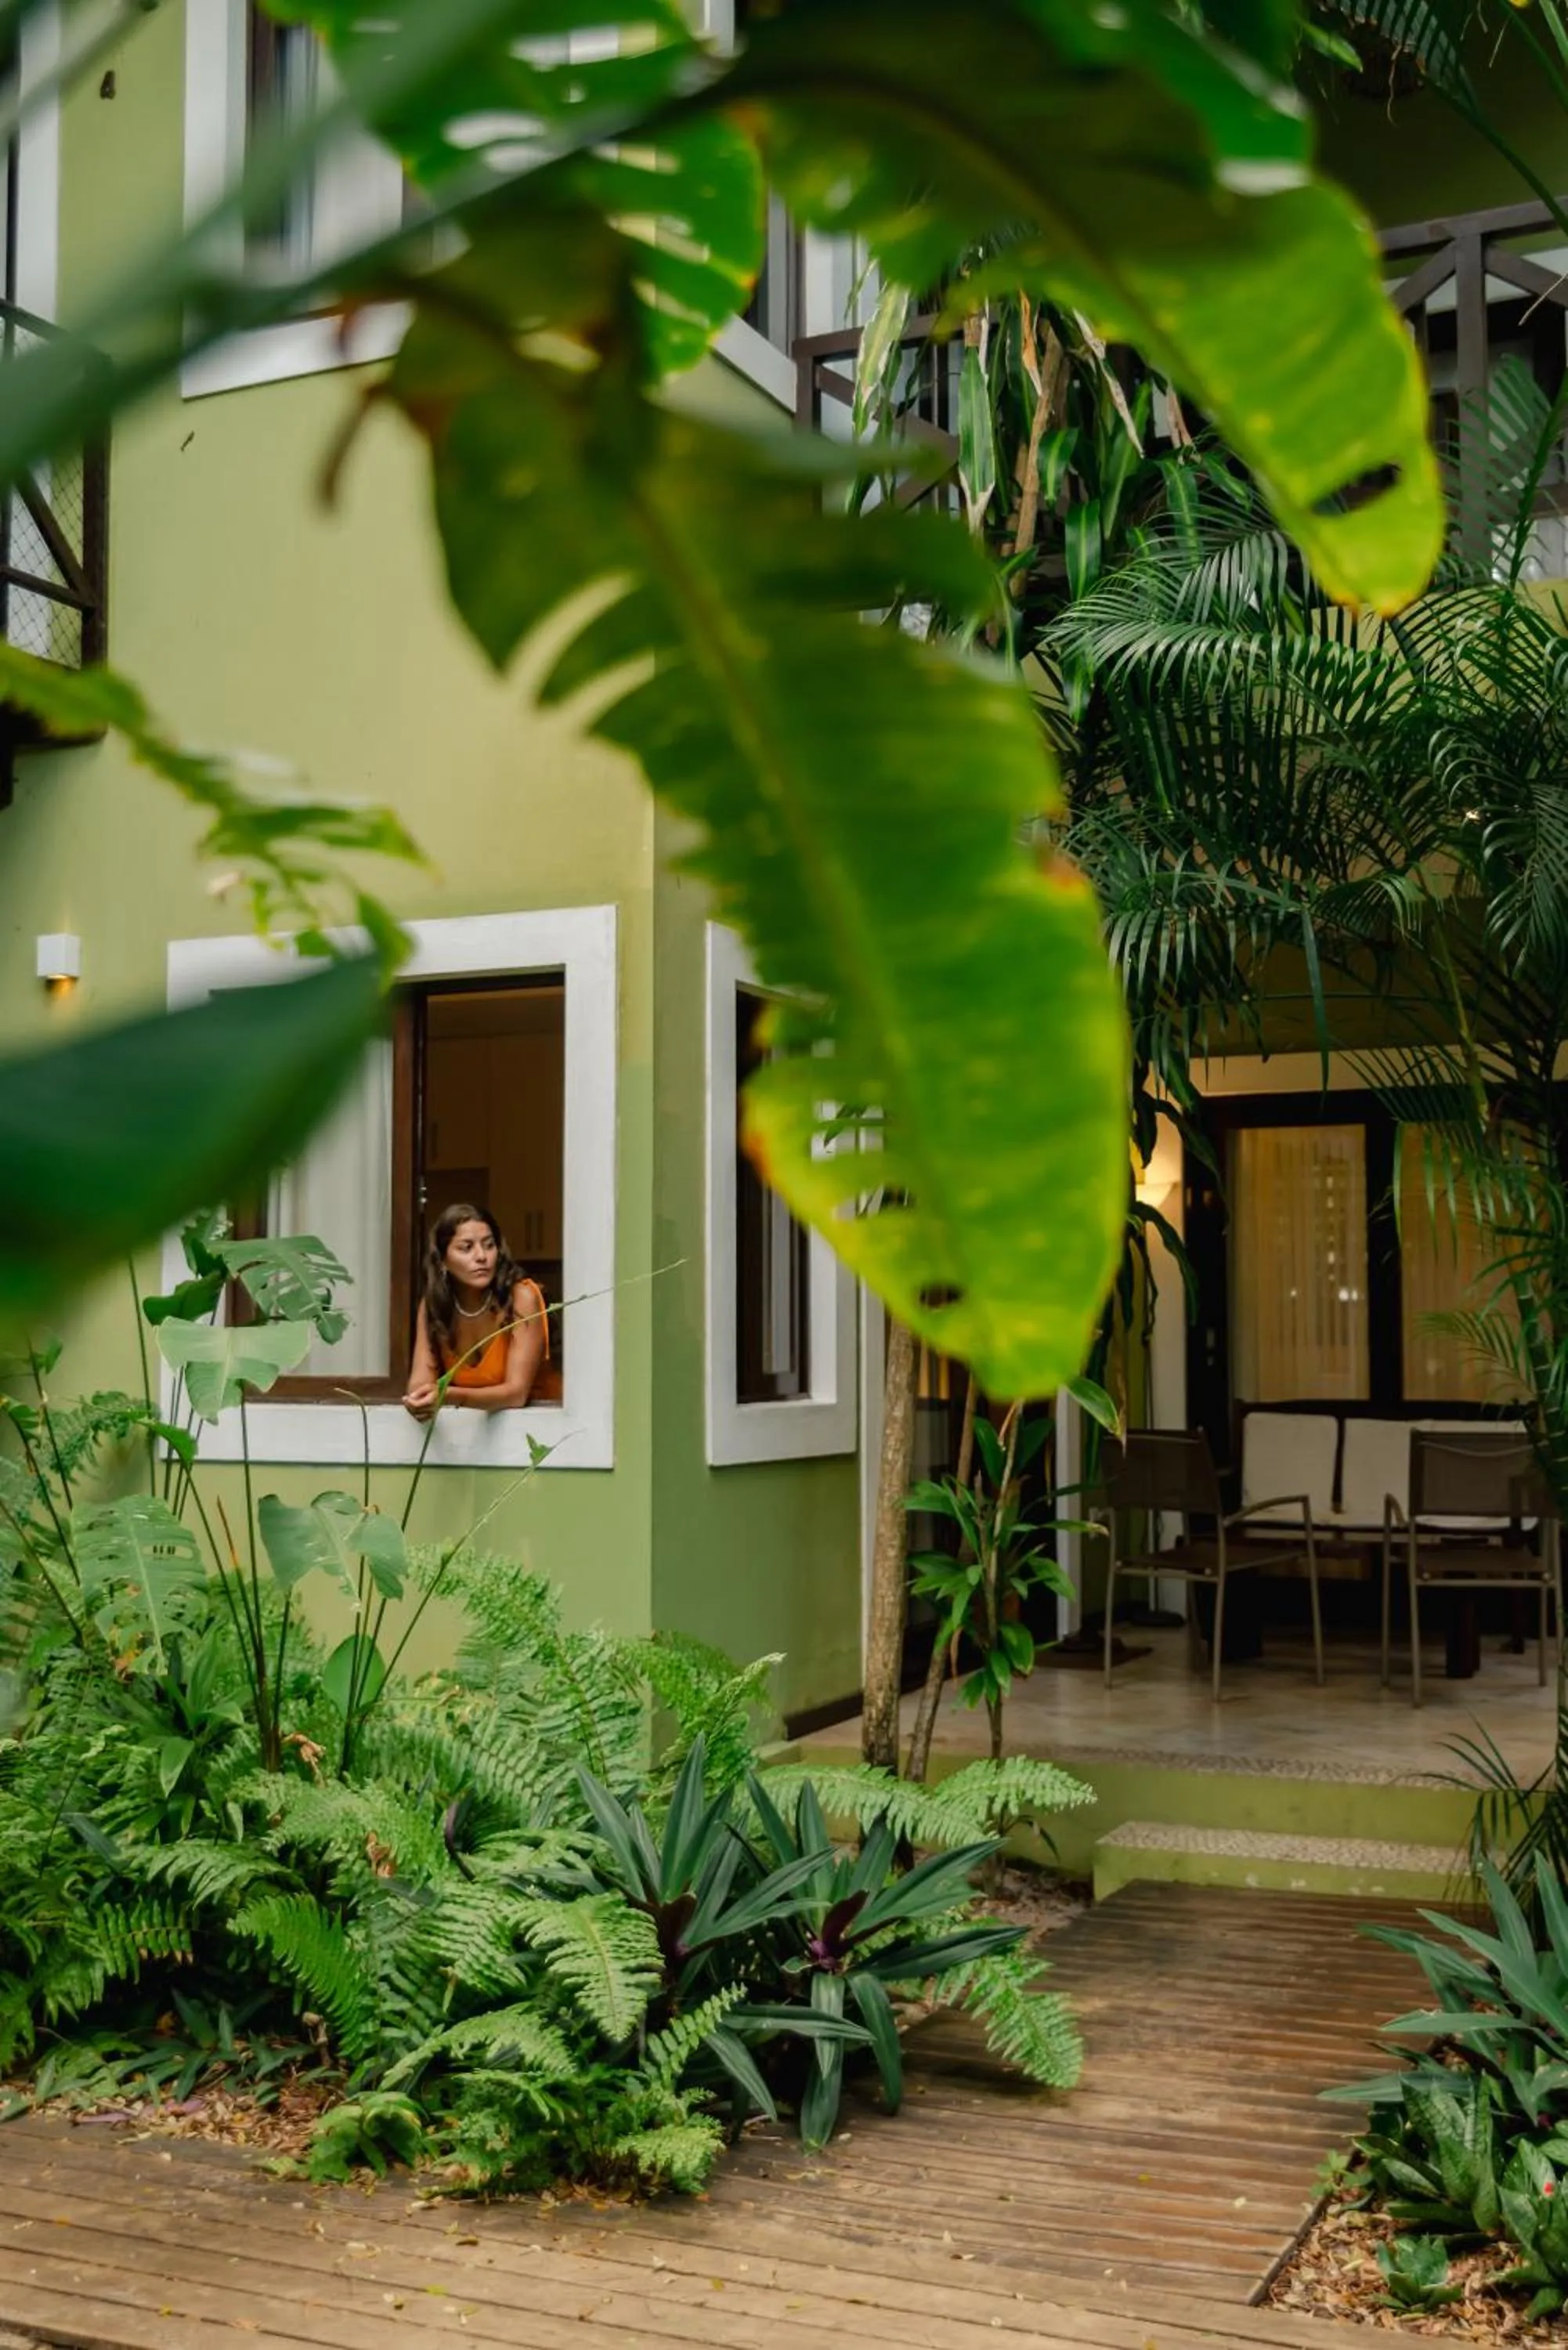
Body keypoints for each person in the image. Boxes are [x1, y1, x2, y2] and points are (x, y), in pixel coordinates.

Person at [403, 1202, 549, 1419]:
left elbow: (516, 1394)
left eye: (489, 1245)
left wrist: (449, 1396)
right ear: (443, 1261)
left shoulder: (521, 1298)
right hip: (468, 1429)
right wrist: (419, 1400)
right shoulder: (434, 1304)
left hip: (537, 1424)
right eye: (466, 1248)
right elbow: (420, 1383)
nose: (481, 1256)